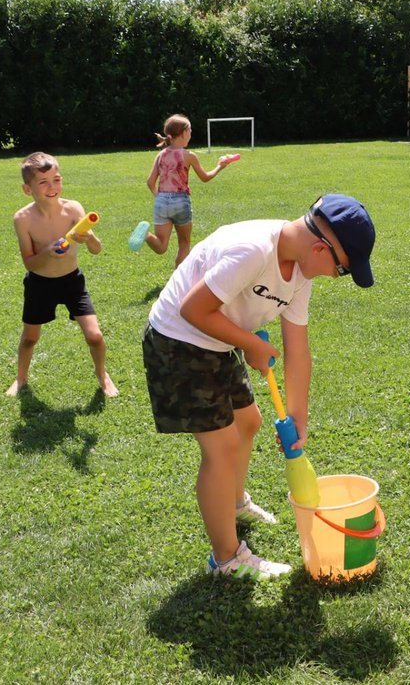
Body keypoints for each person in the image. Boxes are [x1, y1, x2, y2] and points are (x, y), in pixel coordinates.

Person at [142, 194, 376, 581]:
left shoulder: (301, 272)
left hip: (218, 339)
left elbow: (297, 350)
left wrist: (299, 418)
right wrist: (250, 343)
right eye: (342, 270)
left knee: (247, 423)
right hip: (177, 340)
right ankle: (226, 558)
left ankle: (233, 503)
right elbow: (192, 310)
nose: (337, 277)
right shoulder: (252, 250)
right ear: (321, 248)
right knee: (222, 446)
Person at [6, 152, 117, 398]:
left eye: (56, 179)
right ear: (27, 189)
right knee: (30, 339)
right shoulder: (23, 219)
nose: (52, 187)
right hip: (39, 284)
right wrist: (47, 252)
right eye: (43, 182)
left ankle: (102, 374)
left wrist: (90, 238)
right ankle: (21, 378)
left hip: (72, 282)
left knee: (95, 336)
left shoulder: (73, 209)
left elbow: (97, 250)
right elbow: (30, 264)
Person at [136, 114, 237, 267]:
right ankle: (179, 279)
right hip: (180, 202)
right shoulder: (189, 156)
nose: (191, 133)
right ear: (183, 133)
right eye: (189, 130)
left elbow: (150, 182)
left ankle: (146, 235)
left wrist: (160, 197)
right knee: (184, 243)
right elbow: (205, 177)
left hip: (161, 201)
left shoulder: (160, 155)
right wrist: (220, 166)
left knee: (161, 246)